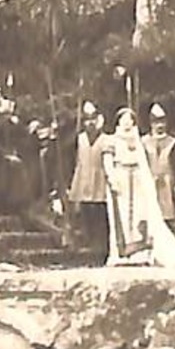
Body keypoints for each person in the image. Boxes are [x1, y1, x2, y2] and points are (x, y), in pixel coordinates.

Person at [102, 109, 175, 268]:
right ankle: (121, 253)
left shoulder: (137, 141)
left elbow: (144, 163)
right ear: (118, 122)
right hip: (121, 179)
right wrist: (112, 178)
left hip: (137, 181)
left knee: (139, 217)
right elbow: (107, 161)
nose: (127, 123)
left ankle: (139, 253)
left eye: (130, 120)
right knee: (123, 217)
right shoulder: (112, 141)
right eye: (124, 120)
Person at [69, 102, 110, 266]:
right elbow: (74, 160)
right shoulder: (80, 139)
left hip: (100, 184)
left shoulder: (107, 139)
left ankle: (102, 252)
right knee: (87, 220)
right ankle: (90, 252)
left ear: (99, 119)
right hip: (84, 182)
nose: (90, 122)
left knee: (101, 219)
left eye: (93, 118)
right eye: (87, 119)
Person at [143, 103, 175, 225]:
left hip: (167, 184)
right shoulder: (143, 142)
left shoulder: (173, 142)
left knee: (167, 215)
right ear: (150, 123)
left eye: (162, 122)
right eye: (155, 122)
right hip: (149, 183)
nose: (159, 125)